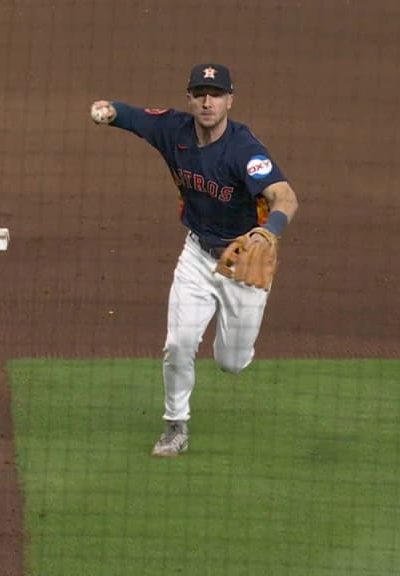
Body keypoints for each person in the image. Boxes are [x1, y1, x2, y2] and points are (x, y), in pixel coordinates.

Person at [89, 63, 300, 457]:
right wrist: (111, 111)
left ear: (229, 101)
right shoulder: (175, 130)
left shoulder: (244, 150)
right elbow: (136, 118)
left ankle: (237, 346)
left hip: (243, 260)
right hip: (196, 255)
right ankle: (175, 425)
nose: (208, 101)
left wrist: (269, 231)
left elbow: (285, 197)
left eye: (216, 94)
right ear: (189, 98)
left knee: (232, 363)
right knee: (179, 343)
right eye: (200, 93)